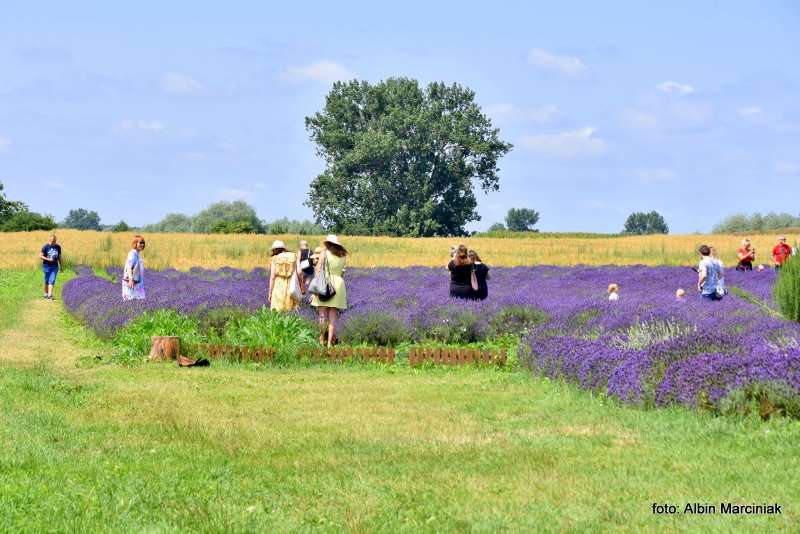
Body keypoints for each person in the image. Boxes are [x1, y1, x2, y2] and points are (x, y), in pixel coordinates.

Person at [311, 235, 348, 347]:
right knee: (332, 316)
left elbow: (317, 269)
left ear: (328, 243)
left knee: (322, 315)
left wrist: (315, 289)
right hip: (339, 284)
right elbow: (342, 272)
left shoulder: (324, 253)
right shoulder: (343, 255)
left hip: (325, 284)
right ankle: (329, 344)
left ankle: (321, 341)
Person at [268, 240, 302, 312]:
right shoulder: (294, 256)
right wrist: (301, 285)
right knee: (290, 310)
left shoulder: (274, 259)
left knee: (277, 310)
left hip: (278, 285)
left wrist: (270, 293)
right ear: (284, 248)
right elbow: (299, 272)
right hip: (291, 284)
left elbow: (272, 277)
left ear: (274, 250)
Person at [122, 235, 146, 301]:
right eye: (140, 242)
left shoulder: (137, 254)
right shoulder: (132, 254)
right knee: (131, 300)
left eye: (143, 242)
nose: (142, 244)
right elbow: (129, 266)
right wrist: (131, 279)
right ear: (135, 243)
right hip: (132, 282)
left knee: (138, 302)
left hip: (137, 282)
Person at [39, 234, 62, 299]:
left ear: (55, 241)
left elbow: (59, 257)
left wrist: (61, 266)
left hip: (55, 266)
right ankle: (45, 293)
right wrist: (48, 259)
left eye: (54, 241)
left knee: (52, 280)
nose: (52, 242)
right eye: (51, 241)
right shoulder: (45, 247)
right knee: (47, 280)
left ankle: (50, 295)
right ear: (49, 240)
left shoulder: (58, 247)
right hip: (46, 266)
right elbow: (40, 256)